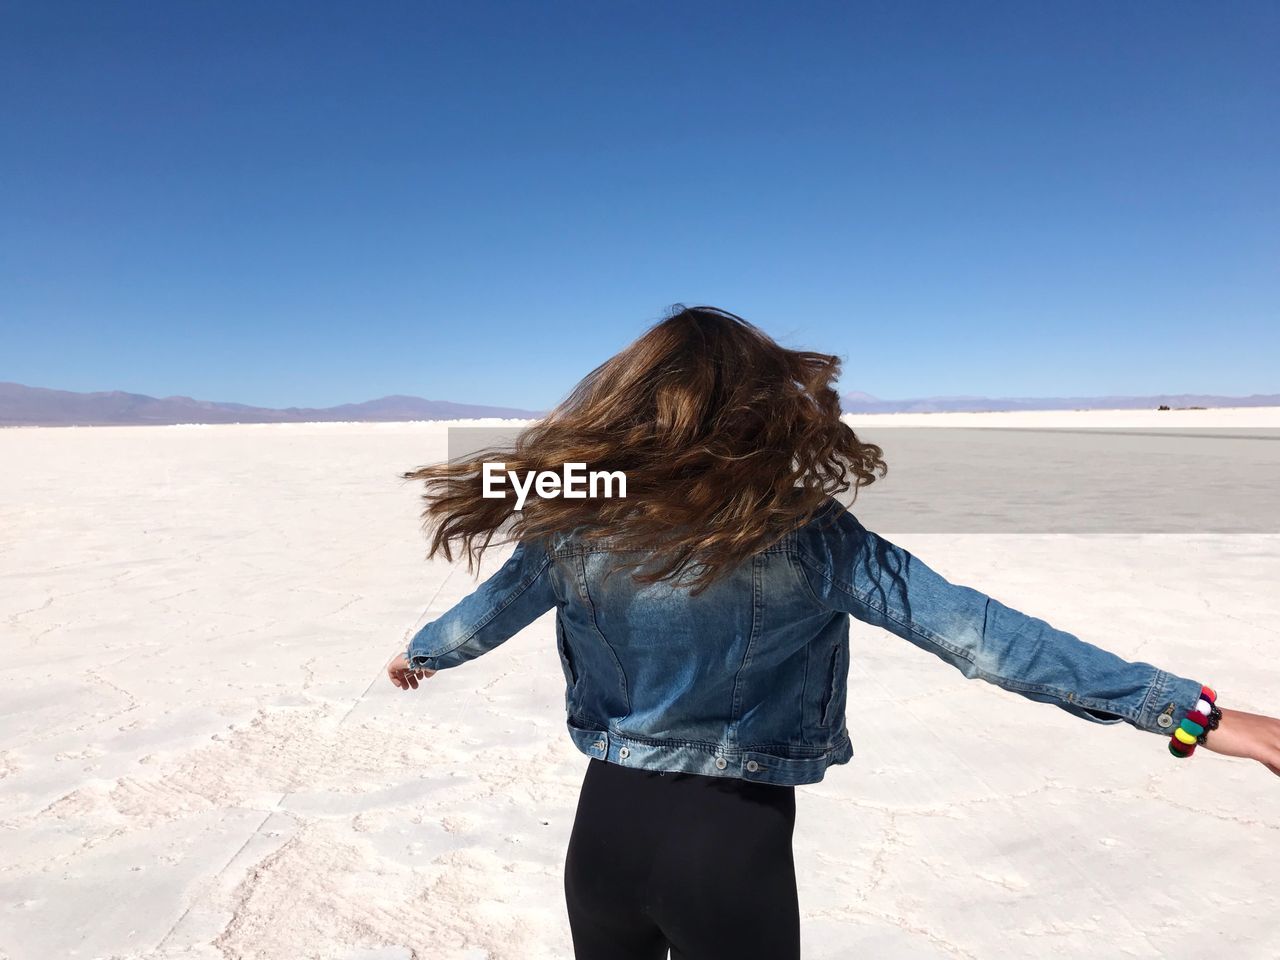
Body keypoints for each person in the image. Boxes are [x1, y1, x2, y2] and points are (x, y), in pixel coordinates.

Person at [387, 305, 1279, 960]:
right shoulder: (800, 528)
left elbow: (493, 607)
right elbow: (979, 635)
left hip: (603, 836)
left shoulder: (578, 513)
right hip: (728, 844)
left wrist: (423, 651)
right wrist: (1191, 714)